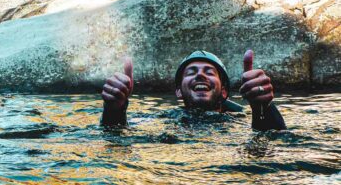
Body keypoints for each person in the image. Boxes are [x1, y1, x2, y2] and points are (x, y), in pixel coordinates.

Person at [101, 49, 286, 130]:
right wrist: (115, 110)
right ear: (179, 92)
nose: (200, 75)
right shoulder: (162, 120)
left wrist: (263, 109)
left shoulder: (241, 122)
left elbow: (276, 143)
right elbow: (116, 139)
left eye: (209, 72)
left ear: (223, 91)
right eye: (191, 72)